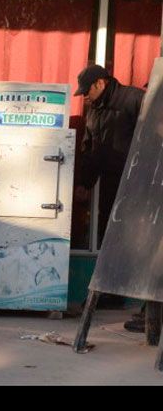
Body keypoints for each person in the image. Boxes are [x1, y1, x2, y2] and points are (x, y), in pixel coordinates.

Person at [73, 64, 145, 331]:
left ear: (101, 84)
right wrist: (84, 183)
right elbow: (90, 148)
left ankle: (148, 308)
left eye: (87, 91)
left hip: (139, 185)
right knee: (110, 239)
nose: (84, 97)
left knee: (141, 244)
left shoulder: (134, 99)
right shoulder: (96, 110)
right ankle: (112, 294)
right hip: (111, 185)